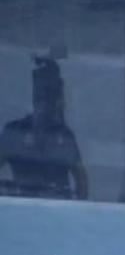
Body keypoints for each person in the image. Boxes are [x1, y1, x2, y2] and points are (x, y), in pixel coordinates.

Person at [0, 57, 88, 199]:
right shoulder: (14, 131)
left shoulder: (65, 136)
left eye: (52, 95)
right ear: (33, 96)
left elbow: (81, 180)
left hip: (59, 212)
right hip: (19, 207)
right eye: (41, 94)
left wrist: (80, 210)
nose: (45, 102)